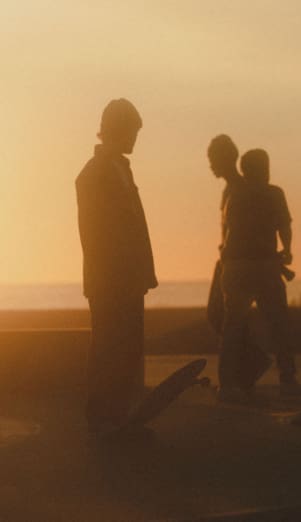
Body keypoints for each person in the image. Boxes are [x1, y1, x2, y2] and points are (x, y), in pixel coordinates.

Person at [76, 98, 158, 435]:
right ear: (117, 129)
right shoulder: (93, 173)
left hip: (128, 276)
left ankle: (122, 413)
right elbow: (96, 233)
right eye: (132, 132)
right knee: (109, 346)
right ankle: (102, 417)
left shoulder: (121, 169)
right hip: (110, 277)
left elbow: (134, 224)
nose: (135, 139)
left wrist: (142, 272)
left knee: (127, 347)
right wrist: (112, 274)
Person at [219, 148, 301, 400]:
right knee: (279, 324)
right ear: (264, 168)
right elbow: (284, 226)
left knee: (232, 327)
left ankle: (227, 386)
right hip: (263, 266)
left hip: (234, 267)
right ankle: (288, 380)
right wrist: (287, 250)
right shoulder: (273, 193)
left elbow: (227, 233)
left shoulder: (234, 196)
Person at [207, 136, 271, 395]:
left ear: (226, 159)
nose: (211, 165)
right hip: (227, 259)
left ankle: (235, 378)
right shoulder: (230, 189)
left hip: (237, 261)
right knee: (222, 317)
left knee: (228, 320)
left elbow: (252, 228)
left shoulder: (242, 188)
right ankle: (251, 367)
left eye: (213, 160)